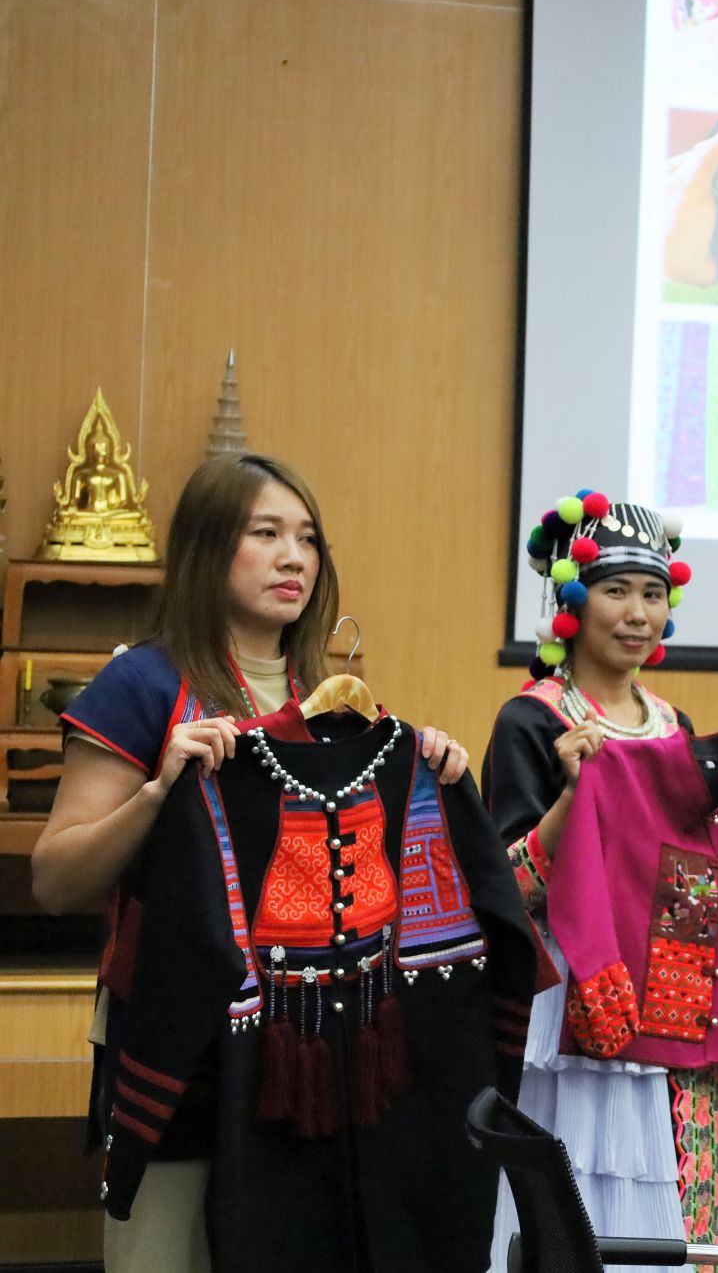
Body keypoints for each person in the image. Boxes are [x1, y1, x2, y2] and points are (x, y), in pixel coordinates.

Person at [32, 452, 468, 1273]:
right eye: (265, 533)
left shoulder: (327, 693)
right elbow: (55, 878)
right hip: (178, 1042)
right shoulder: (143, 682)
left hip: (299, 1054)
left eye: (308, 538)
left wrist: (433, 769)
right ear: (207, 546)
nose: (293, 557)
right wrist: (158, 791)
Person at [486, 489, 718, 1267]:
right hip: (585, 1009)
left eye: (653, 593)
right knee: (594, 1194)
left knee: (683, 1211)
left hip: (678, 1002)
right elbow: (505, 890)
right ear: (572, 601)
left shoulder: (673, 725)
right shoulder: (532, 720)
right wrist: (570, 798)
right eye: (616, 590)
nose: (637, 613)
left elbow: (691, 876)